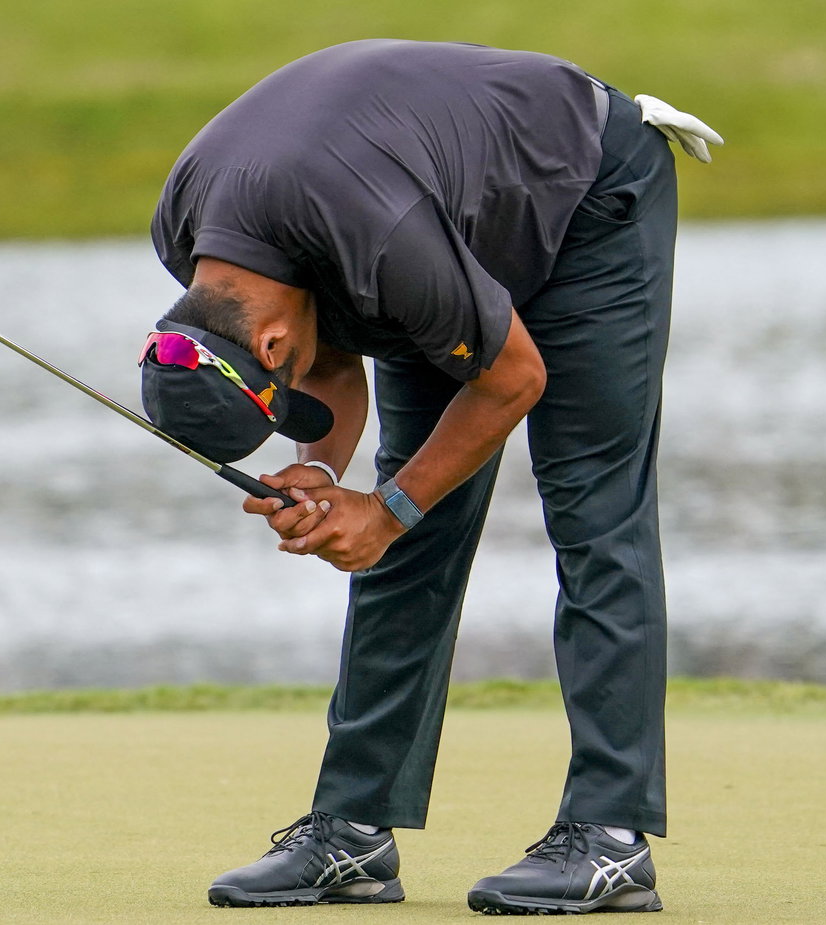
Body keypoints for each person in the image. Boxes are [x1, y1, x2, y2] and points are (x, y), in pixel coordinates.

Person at [139, 39, 719, 915]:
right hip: (437, 220)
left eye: (277, 384)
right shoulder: (194, 238)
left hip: (586, 188)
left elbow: (514, 378)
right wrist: (319, 478)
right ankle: (354, 831)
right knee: (400, 532)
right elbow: (326, 359)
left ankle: (610, 836)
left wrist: (391, 506)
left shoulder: (371, 240)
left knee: (592, 508)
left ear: (260, 350)